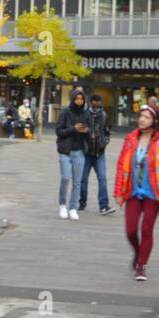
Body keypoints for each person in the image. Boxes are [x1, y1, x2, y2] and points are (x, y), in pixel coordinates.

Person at [113, 103, 159, 281]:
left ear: (155, 121)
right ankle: (138, 252)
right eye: (141, 116)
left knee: (146, 229)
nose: (141, 119)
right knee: (131, 231)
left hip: (153, 194)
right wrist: (118, 191)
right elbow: (121, 167)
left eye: (146, 117)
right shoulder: (130, 139)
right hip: (133, 193)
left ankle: (141, 265)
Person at [54, 87, 91, 219]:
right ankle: (62, 204)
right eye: (77, 98)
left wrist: (86, 131)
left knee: (77, 182)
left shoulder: (86, 114)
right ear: (73, 98)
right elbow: (59, 131)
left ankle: (73, 207)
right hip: (65, 150)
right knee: (65, 178)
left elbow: (89, 134)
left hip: (79, 151)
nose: (79, 101)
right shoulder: (65, 112)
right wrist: (73, 129)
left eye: (81, 99)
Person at [78, 92, 114, 215]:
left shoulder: (104, 115)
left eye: (98, 104)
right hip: (86, 152)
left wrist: (104, 142)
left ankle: (104, 206)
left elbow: (107, 131)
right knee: (83, 180)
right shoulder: (84, 115)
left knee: (103, 179)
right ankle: (82, 204)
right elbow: (80, 131)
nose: (96, 106)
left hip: (99, 152)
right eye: (95, 104)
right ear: (91, 103)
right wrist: (86, 136)